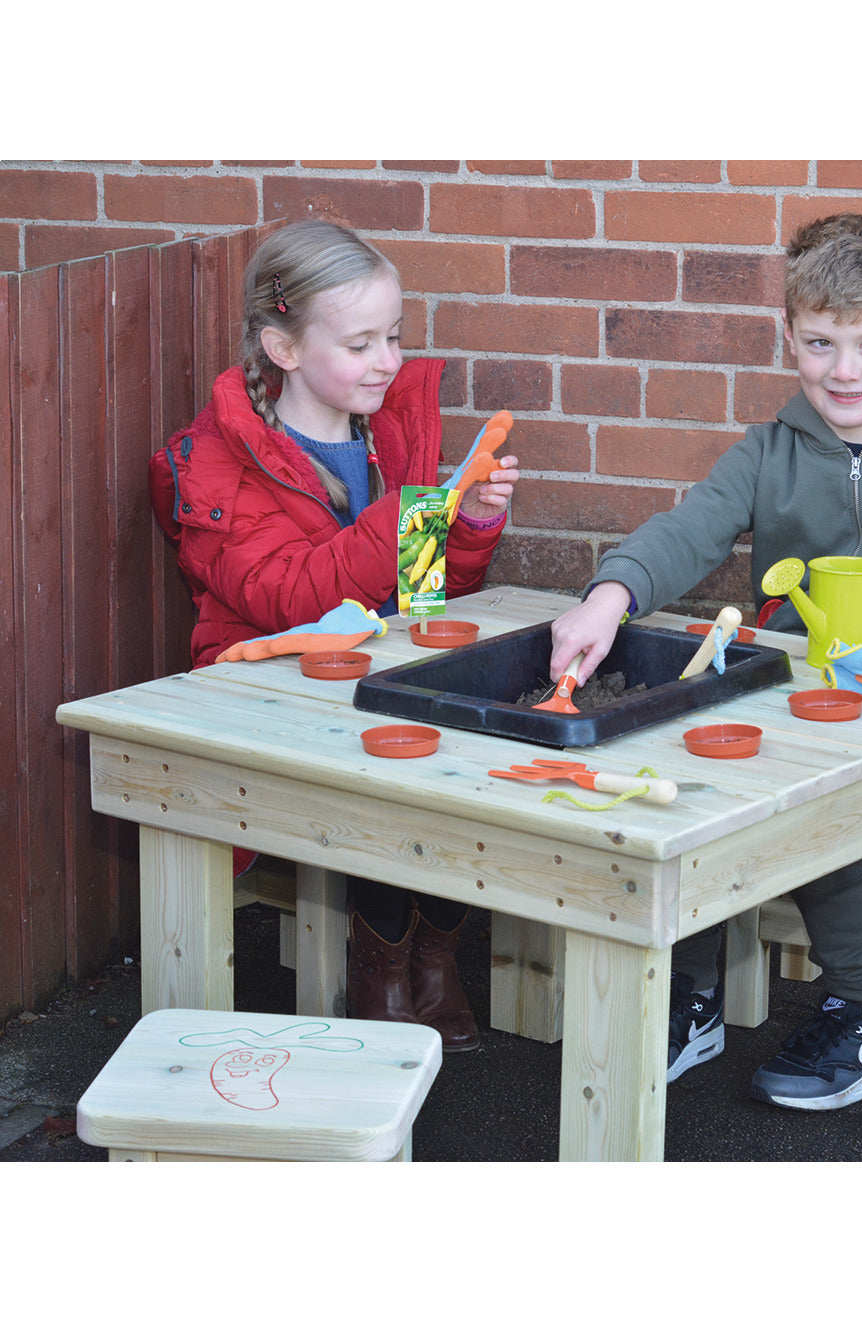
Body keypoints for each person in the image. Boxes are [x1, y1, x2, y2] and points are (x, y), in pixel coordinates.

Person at [548, 212, 862, 1110]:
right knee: (684, 784)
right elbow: (689, 527)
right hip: (781, 695)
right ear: (789, 338)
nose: (846, 370)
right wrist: (610, 594)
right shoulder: (770, 452)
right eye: (821, 343)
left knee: (814, 825)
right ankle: (692, 996)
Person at [148, 220, 520, 1052]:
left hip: (370, 669)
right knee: (386, 748)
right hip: (263, 681)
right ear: (282, 347)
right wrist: (404, 516)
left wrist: (467, 529)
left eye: (393, 336)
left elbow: (426, 595)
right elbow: (287, 598)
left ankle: (433, 955)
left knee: (462, 720)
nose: (387, 360)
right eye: (361, 343)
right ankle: (379, 967)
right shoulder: (219, 462)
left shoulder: (383, 434)